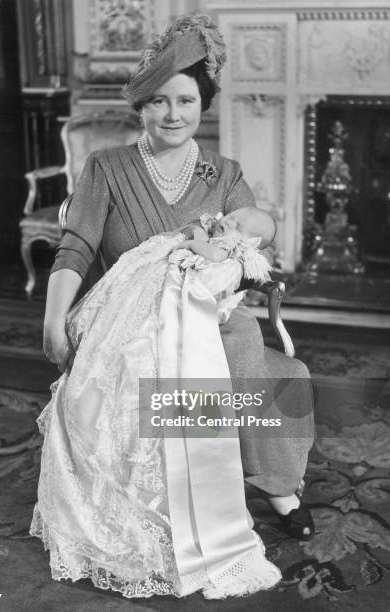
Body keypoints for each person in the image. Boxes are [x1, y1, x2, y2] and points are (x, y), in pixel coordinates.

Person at [32, 12, 315, 599]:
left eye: (185, 100)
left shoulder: (224, 173)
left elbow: (257, 233)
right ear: (140, 107)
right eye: (158, 102)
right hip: (129, 324)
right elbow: (76, 247)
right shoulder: (106, 168)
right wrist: (52, 319)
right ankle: (175, 512)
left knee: (238, 351)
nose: (173, 114)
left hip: (209, 320)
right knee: (162, 372)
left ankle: (273, 483)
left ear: (202, 104)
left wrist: (252, 229)